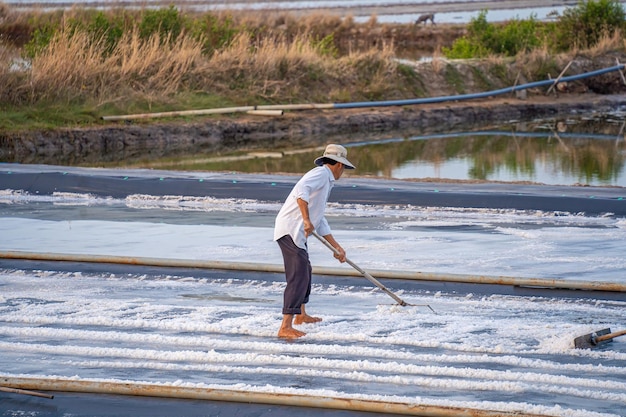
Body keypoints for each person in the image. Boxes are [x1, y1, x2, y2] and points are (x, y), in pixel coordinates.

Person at [273, 144, 356, 339]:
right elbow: (301, 190)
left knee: (305, 270)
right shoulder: (320, 173)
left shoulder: (326, 181)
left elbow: (320, 220)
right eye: (343, 167)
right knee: (298, 275)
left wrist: (336, 247)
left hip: (299, 233)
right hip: (290, 230)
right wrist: (306, 219)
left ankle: (301, 315)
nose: (343, 171)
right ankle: (285, 326)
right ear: (337, 165)